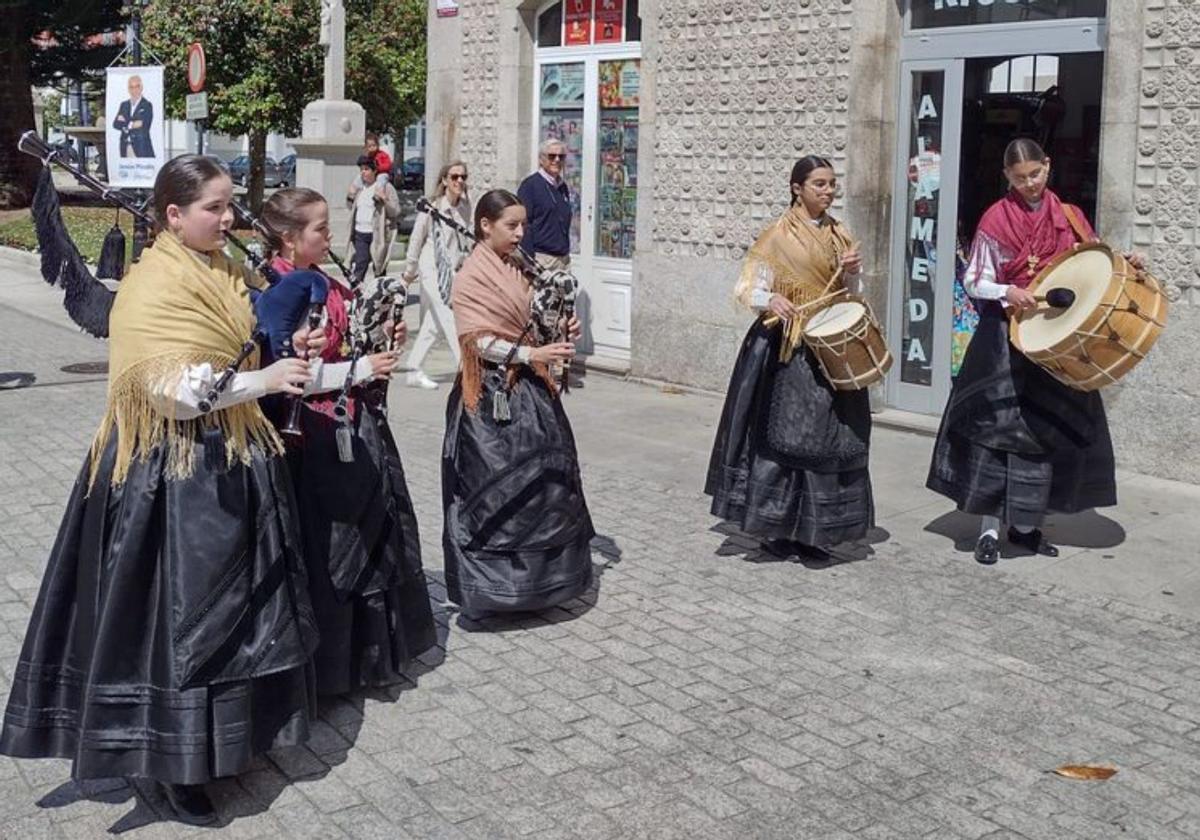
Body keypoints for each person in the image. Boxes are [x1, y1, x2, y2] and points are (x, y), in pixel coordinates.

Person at [0, 156, 323, 825]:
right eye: (215, 207)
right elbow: (168, 393)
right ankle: (169, 765)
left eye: (231, 204)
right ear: (173, 215)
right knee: (182, 623)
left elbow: (249, 340)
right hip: (168, 478)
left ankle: (232, 740)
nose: (229, 217)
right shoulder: (151, 288)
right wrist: (262, 383)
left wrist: (284, 343)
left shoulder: (224, 269)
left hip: (233, 459)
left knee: (241, 613)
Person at [926, 138, 1143, 565]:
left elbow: (1092, 266)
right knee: (998, 435)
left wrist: (1125, 264)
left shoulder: (1072, 218)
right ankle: (989, 529)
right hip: (1003, 339)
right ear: (1007, 177)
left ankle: (1027, 527)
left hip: (1055, 341)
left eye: (1036, 174)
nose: (1029, 184)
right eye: (1020, 178)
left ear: (1048, 166)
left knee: (1046, 435)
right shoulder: (995, 218)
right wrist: (1007, 289)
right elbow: (974, 280)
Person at [261, 188, 438, 694]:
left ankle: (365, 657)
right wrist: (360, 366)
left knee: (367, 537)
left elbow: (351, 336)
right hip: (309, 437)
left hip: (351, 422)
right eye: (320, 228)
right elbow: (294, 373)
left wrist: (383, 335)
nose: (331, 235)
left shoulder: (325, 280)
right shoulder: (279, 286)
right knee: (328, 549)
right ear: (291, 239)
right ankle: (329, 669)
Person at [705, 155, 874, 562]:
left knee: (831, 437)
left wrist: (852, 271)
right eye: (819, 184)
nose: (828, 191)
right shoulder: (777, 236)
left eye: (832, 184)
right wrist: (772, 299)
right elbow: (747, 289)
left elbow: (850, 290)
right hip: (788, 348)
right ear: (797, 188)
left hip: (830, 344)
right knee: (786, 437)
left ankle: (817, 532)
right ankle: (776, 528)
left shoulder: (839, 235)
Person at [442, 189, 593, 617]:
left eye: (523, 224)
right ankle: (496, 590)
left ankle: (544, 585)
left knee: (546, 486)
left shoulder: (521, 266)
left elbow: (533, 319)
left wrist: (561, 327)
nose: (521, 233)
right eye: (512, 225)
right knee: (498, 491)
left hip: (532, 389)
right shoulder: (470, 276)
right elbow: (476, 340)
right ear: (485, 226)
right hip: (490, 397)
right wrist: (531, 355)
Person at [402, 160, 473, 389]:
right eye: (454, 177)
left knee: (433, 324)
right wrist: (409, 272)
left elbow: (463, 242)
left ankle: (413, 369)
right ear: (444, 181)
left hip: (451, 270)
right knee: (448, 314)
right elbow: (416, 239)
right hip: (431, 268)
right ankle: (466, 367)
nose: (459, 181)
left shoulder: (465, 207)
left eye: (463, 177)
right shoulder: (432, 208)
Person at [516, 139, 572, 270]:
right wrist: (529, 261)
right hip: (541, 259)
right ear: (541, 160)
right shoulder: (530, 186)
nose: (557, 160)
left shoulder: (562, 187)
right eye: (552, 156)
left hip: (563, 259)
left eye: (561, 156)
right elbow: (523, 224)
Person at [346, 155, 400, 284]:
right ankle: (355, 294)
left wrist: (384, 199)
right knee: (360, 263)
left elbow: (395, 211)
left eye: (366, 169)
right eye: (361, 169)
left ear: (374, 171)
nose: (363, 172)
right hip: (360, 233)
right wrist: (350, 195)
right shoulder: (359, 188)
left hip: (377, 234)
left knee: (379, 266)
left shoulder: (385, 187)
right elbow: (350, 207)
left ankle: (381, 294)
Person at [112, 74, 154, 158]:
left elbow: (143, 124)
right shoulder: (124, 105)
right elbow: (115, 124)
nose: (134, 90)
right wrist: (132, 123)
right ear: (128, 89)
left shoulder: (147, 105)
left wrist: (125, 122)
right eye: (131, 87)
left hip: (142, 147)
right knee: (126, 171)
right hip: (125, 146)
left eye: (137, 86)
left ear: (141, 88)